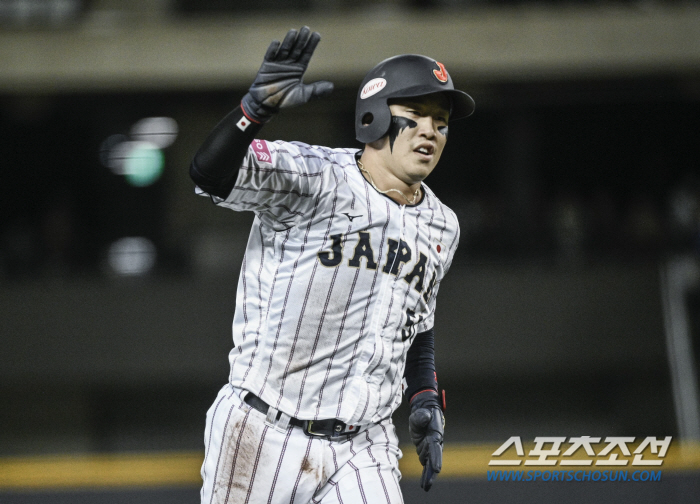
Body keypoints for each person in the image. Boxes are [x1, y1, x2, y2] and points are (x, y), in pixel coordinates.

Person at [190, 26, 474, 504]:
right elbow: (209, 174)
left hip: (365, 443)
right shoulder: (313, 177)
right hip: (265, 430)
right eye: (416, 115)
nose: (430, 130)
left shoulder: (443, 225)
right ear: (376, 117)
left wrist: (425, 395)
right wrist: (252, 111)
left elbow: (417, 325)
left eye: (441, 122)